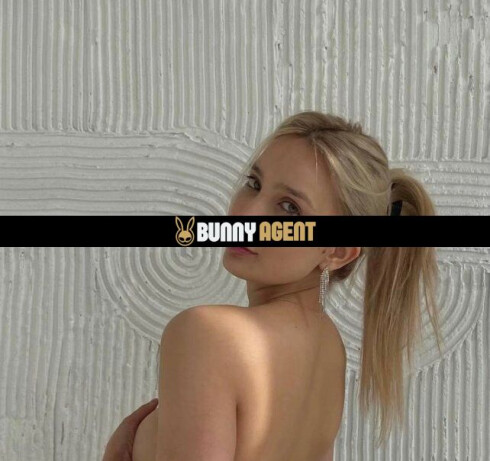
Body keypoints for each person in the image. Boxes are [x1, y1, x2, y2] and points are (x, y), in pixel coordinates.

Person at [105, 110, 444, 459]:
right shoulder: (329, 350)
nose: (248, 214)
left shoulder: (207, 333)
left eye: (289, 208)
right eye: (254, 183)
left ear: (338, 251)